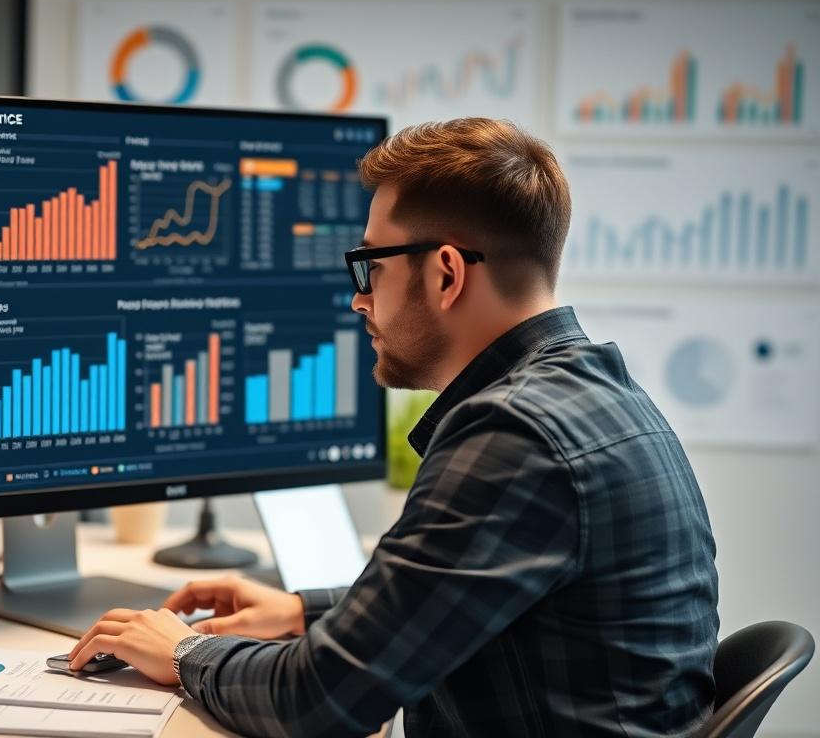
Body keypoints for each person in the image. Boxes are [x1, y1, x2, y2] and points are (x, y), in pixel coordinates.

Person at [69, 118, 720, 737]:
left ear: (445, 273)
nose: (359, 298)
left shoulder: (513, 437)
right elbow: (468, 591)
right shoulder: (594, 392)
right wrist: (303, 611)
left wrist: (182, 652)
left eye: (370, 267)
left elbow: (316, 703)